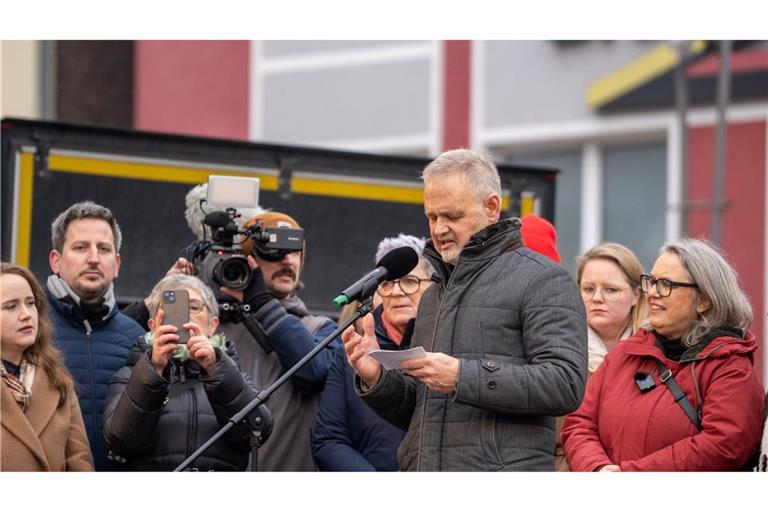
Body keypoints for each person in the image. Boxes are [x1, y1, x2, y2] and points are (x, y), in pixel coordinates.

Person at [343, 148, 588, 471]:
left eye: (452, 216)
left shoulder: (544, 279)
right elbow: (421, 412)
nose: (438, 229)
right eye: (432, 217)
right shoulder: (433, 295)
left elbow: (565, 384)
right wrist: (376, 377)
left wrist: (462, 376)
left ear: (491, 207)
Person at [562, 238, 765, 471]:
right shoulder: (624, 355)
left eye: (666, 284)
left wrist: (629, 476)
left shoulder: (729, 366)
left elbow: (723, 445)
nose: (652, 293)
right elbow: (579, 425)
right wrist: (597, 468)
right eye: (651, 282)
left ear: (703, 300)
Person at [103, 274, 259, 471]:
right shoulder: (129, 375)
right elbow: (120, 441)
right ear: (152, 325)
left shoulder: (235, 376)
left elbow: (256, 432)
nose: (185, 316)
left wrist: (215, 368)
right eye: (172, 309)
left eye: (193, 307)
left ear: (212, 325)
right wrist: (154, 369)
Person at [312, 234, 434, 471]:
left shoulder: (449, 346)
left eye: (409, 281)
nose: (396, 292)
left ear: (433, 285)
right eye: (387, 283)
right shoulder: (353, 353)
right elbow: (328, 441)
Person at [44, 201, 144, 470]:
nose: (93, 258)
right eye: (80, 247)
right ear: (56, 261)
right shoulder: (30, 328)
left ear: (117, 264)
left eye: (104, 248)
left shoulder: (137, 337)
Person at [554, 242, 648, 470]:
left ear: (636, 295)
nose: (597, 298)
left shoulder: (657, 351)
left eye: (610, 289)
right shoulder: (557, 351)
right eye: (588, 289)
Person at [1, 263, 93, 471]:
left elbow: (80, 461)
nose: (26, 314)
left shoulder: (57, 379)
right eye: (11, 306)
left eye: (30, 303)